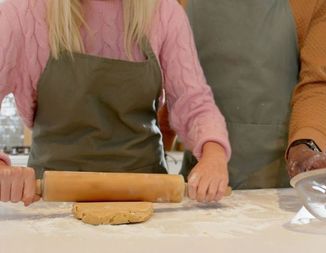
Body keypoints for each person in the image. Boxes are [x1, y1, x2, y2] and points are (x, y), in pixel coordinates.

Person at [0, 0, 231, 206]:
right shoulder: (22, 13)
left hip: (146, 196)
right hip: (49, 200)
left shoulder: (164, 12)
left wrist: (214, 154)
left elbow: (192, 101)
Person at [159, 0, 326, 189]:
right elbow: (170, 82)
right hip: (199, 181)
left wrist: (305, 148)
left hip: (278, 187)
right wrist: (152, 159)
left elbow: (319, 84)